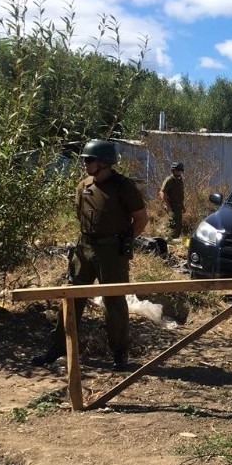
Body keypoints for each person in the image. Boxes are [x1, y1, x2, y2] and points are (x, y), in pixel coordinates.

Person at [32, 139, 149, 371]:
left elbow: (141, 219)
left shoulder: (123, 186)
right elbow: (80, 215)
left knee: (114, 301)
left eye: (89, 160)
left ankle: (119, 354)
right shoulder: (83, 185)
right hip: (84, 248)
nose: (85, 164)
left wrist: (124, 240)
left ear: (104, 163)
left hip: (112, 252)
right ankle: (57, 348)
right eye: (85, 160)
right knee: (71, 298)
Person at [159, 161, 186, 238]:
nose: (178, 172)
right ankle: (168, 243)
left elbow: (180, 194)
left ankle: (175, 242)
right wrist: (167, 205)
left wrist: (183, 206)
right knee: (172, 225)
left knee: (178, 226)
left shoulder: (180, 180)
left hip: (179, 206)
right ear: (173, 170)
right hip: (172, 206)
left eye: (180, 170)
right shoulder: (169, 180)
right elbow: (162, 192)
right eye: (176, 170)